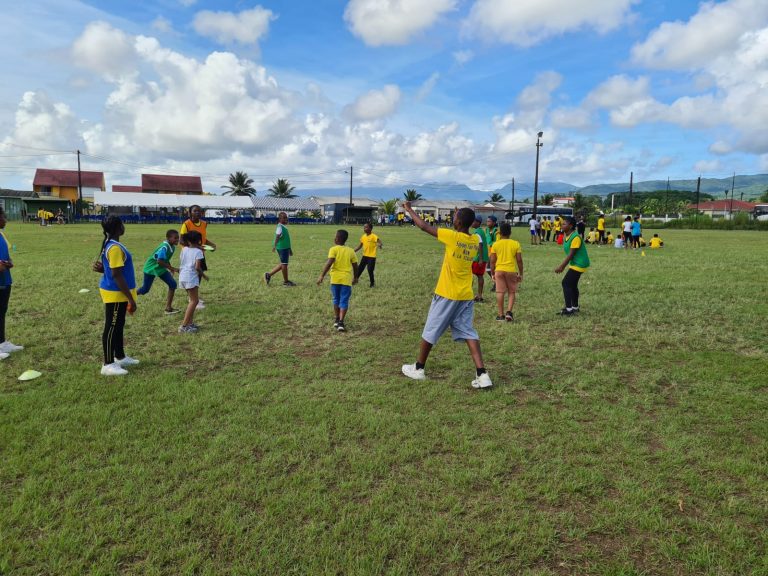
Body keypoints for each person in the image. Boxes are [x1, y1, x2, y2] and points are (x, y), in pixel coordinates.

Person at [400, 200, 492, 390]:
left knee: (431, 329)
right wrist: (460, 214)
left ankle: (418, 368)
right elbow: (463, 226)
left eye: (454, 218)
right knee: (468, 332)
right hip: (465, 295)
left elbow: (424, 226)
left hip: (447, 293)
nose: (452, 220)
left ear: (458, 222)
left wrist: (409, 210)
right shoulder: (474, 240)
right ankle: (482, 374)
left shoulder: (452, 237)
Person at [92, 215, 138, 376]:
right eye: (122, 224)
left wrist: (103, 269)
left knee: (118, 324)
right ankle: (108, 364)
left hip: (118, 291)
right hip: (115, 293)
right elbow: (117, 275)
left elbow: (113, 269)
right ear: (118, 228)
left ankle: (120, 356)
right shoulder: (114, 247)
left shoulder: (112, 244)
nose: (124, 227)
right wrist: (130, 299)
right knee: (111, 326)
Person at [317, 229, 359, 332]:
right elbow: (355, 266)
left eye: (335, 236)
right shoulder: (351, 251)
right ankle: (341, 322)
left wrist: (322, 275)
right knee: (344, 300)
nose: (334, 238)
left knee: (336, 299)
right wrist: (355, 277)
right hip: (346, 280)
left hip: (335, 279)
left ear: (337, 239)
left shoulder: (333, 249)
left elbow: (329, 263)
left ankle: (336, 319)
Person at [136, 229, 180, 314]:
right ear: (168, 238)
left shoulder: (172, 247)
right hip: (150, 268)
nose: (177, 240)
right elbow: (159, 261)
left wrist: (170, 268)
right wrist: (173, 268)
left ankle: (168, 308)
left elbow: (165, 259)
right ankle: (129, 296)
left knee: (173, 284)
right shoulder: (164, 247)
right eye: (175, 238)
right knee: (145, 289)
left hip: (159, 268)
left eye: (178, 238)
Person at [554, 216, 590, 316]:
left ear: (570, 226)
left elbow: (571, 255)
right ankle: (575, 307)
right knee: (572, 285)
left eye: (564, 224)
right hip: (575, 263)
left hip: (579, 263)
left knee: (566, 283)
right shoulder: (568, 236)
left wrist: (561, 266)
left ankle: (569, 310)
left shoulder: (575, 237)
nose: (562, 225)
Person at [0, 207, 23, 359]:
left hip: (5, 280)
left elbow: (5, 255)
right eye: (3, 217)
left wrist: (9, 262)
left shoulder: (1, 235)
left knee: (2, 312)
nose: (6, 220)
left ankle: (2, 343)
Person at [490, 221, 523, 322]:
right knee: (511, 291)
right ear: (510, 233)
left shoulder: (495, 244)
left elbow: (492, 261)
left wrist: (492, 273)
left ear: (500, 233)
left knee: (500, 292)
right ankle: (509, 312)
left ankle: (500, 315)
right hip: (511, 271)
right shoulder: (516, 244)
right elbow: (519, 260)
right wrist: (521, 273)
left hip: (499, 270)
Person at [178, 231, 207, 334]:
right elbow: (197, 267)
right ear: (199, 241)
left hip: (182, 276)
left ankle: (190, 324)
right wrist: (204, 275)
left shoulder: (184, 249)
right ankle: (184, 326)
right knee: (194, 301)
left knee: (192, 300)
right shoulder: (199, 252)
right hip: (191, 277)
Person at [265, 211, 295, 287]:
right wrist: (274, 246)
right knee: (284, 264)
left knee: (283, 264)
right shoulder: (280, 227)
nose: (286, 219)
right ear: (280, 219)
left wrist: (290, 249)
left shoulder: (283, 226)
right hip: (282, 248)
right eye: (284, 218)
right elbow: (277, 236)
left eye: (286, 217)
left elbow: (286, 239)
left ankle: (269, 275)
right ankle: (286, 282)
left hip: (285, 247)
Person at [353, 222, 382, 287]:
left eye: (366, 227)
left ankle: (372, 283)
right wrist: (353, 251)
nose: (364, 228)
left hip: (372, 257)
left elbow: (379, 241)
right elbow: (360, 246)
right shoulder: (363, 236)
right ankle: (355, 280)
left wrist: (380, 244)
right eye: (364, 227)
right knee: (360, 269)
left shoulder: (373, 236)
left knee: (370, 270)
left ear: (370, 229)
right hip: (365, 256)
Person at [469, 216, 489, 302]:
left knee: (475, 275)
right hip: (480, 257)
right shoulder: (480, 231)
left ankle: (478, 295)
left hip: (478, 257)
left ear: (478, 222)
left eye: (473, 221)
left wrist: (480, 259)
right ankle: (479, 295)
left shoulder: (477, 232)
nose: (472, 223)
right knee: (478, 275)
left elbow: (480, 245)